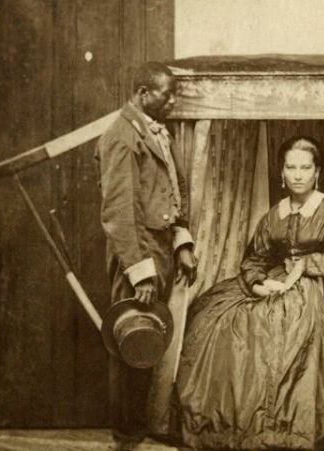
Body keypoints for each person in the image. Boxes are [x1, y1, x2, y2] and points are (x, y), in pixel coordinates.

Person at [174, 136, 324, 450]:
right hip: (282, 279)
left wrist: (308, 264)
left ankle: (281, 425)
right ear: (282, 171)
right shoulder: (274, 215)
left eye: (305, 167)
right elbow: (254, 258)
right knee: (216, 311)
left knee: (279, 314)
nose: (298, 175)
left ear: (317, 172)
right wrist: (258, 283)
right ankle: (236, 421)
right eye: (291, 167)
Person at [95, 61, 198, 448]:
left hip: (159, 251)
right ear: (142, 94)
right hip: (136, 255)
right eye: (166, 95)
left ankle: (137, 431)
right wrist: (141, 272)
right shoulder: (121, 138)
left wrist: (181, 242)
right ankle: (126, 438)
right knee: (132, 343)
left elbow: (173, 191)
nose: (173, 102)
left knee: (147, 343)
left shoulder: (157, 133)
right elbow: (119, 213)